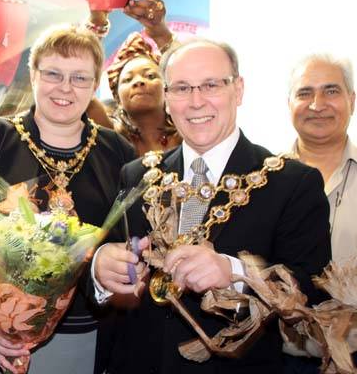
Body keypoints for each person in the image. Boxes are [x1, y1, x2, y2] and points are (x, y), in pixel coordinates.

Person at [92, 38, 332, 373]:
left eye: (211, 85)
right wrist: (101, 270)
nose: (196, 101)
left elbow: (314, 292)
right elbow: (115, 272)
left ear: (239, 90)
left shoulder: (291, 182)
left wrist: (234, 273)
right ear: (167, 98)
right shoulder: (137, 174)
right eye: (181, 88)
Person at [0, 24, 136, 374]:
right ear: (33, 76)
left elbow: (121, 246)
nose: (65, 88)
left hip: (82, 336)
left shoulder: (118, 151)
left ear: (94, 85)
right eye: (53, 74)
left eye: (79, 78)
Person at [87, 0, 181, 155]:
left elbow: (191, 75)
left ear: (167, 88)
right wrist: (97, 23)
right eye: (127, 80)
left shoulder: (187, 132)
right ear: (117, 96)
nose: (139, 82)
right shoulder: (111, 138)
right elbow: (78, 87)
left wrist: (160, 33)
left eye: (150, 75)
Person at [288, 54, 357, 263]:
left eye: (331, 91)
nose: (317, 105)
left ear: (352, 101)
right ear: (289, 104)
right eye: (305, 93)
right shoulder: (263, 181)